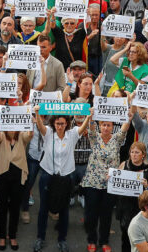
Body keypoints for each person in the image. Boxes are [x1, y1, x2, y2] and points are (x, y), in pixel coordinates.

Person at [33, 107, 93, 252]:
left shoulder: (72, 134)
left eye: (62, 123)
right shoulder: (48, 133)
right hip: (48, 175)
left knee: (64, 210)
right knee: (43, 208)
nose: (60, 126)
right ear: (53, 123)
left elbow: (82, 128)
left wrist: (89, 116)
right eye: (57, 123)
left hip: (66, 176)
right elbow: (40, 126)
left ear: (67, 123)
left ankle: (62, 239)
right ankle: (40, 238)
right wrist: (37, 113)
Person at [82, 111, 134, 252]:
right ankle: (92, 240)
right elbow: (91, 127)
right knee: (91, 214)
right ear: (100, 126)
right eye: (103, 125)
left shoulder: (117, 139)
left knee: (106, 214)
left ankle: (104, 241)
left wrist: (129, 119)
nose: (105, 127)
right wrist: (90, 117)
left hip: (110, 184)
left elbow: (124, 129)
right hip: (92, 183)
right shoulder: (94, 138)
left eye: (108, 125)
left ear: (112, 127)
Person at [0, 112, 32, 251]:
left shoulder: (22, 135)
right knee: (2, 207)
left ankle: (12, 235)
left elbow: (29, 135)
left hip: (18, 176)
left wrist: (31, 123)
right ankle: (2, 236)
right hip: (2, 175)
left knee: (15, 207)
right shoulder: (1, 134)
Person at [120, 141, 148, 252]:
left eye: (137, 152)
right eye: (132, 152)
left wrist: (147, 186)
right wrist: (110, 177)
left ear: (143, 154)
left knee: (141, 238)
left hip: (142, 208)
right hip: (125, 207)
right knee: (126, 237)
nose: (134, 155)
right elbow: (116, 182)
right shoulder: (124, 165)